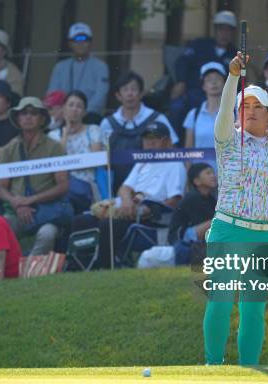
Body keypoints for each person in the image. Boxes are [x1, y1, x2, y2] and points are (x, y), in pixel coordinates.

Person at [204, 52, 268, 365]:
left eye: (258, 106)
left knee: (253, 308)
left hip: (266, 236)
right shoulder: (228, 140)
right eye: (245, 106)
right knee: (219, 302)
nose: (251, 111)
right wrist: (233, 76)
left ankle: (249, 372)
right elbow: (223, 110)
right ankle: (212, 366)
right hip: (228, 229)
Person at [72, 122, 186, 269]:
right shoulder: (142, 161)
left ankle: (106, 269)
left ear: (167, 142)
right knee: (81, 221)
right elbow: (125, 188)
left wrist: (144, 210)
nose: (150, 142)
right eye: (146, 138)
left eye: (155, 138)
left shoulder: (175, 164)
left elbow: (175, 201)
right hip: (128, 207)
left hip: (149, 219)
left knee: (108, 224)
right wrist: (127, 201)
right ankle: (80, 267)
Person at [0, 97, 72, 255]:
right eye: (23, 113)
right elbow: (1, 188)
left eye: (33, 113)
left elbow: (63, 186)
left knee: (47, 235)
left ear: (42, 119)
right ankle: (6, 273)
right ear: (17, 118)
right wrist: (16, 202)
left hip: (48, 211)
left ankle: (29, 273)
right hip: (18, 211)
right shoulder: (9, 149)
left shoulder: (55, 147)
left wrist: (29, 200)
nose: (28, 117)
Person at [100, 71, 179, 193]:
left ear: (141, 93)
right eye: (125, 90)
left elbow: (172, 148)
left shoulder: (157, 118)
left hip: (151, 185)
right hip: (115, 186)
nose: (130, 94)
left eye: (133, 89)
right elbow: (101, 158)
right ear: (118, 95)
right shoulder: (107, 123)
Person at [169, 11, 238, 137]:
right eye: (221, 29)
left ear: (233, 33)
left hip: (220, 98)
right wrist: (181, 81)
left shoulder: (235, 54)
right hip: (193, 92)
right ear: (215, 30)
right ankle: (177, 147)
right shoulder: (198, 45)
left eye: (228, 30)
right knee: (176, 108)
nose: (224, 34)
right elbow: (182, 62)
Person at [48, 91, 104, 214]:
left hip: (86, 187)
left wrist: (69, 165)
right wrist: (66, 133)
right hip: (61, 187)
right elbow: (57, 163)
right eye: (71, 105)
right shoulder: (53, 136)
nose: (74, 109)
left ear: (84, 112)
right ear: (63, 108)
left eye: (79, 106)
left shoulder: (93, 130)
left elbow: (96, 159)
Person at [47, 23, 109, 123]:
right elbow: (52, 96)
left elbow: (99, 98)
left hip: (89, 115)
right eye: (76, 40)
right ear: (70, 43)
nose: (81, 43)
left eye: (85, 39)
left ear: (90, 42)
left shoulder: (101, 67)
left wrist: (79, 112)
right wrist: (62, 111)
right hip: (63, 115)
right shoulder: (60, 67)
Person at [168, 163, 217, 265]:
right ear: (197, 181)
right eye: (208, 173)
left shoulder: (211, 198)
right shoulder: (193, 198)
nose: (213, 175)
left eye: (213, 172)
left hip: (197, 234)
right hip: (180, 238)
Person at [183, 62, 224, 170]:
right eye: (209, 79)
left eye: (218, 79)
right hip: (200, 178)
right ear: (203, 86)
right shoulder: (193, 115)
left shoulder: (235, 112)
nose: (214, 83)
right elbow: (189, 151)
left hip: (229, 177)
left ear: (225, 83)